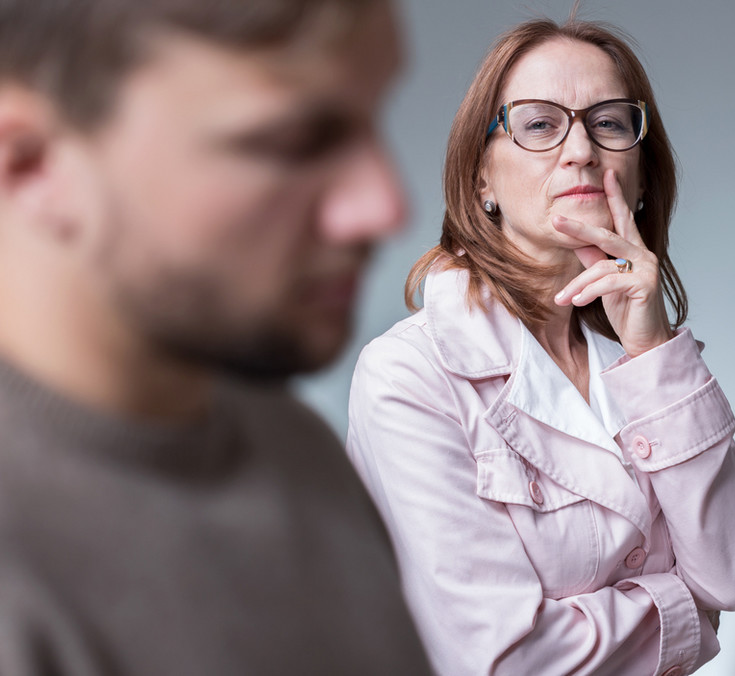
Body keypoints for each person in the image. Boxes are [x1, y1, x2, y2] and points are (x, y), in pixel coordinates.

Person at [0, 0, 431, 673]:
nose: (385, 206)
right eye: (294, 142)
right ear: (32, 164)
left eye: (373, 119)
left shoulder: (299, 452)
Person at [345, 15, 735, 676]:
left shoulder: (648, 362)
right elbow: (503, 661)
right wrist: (681, 607)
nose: (581, 151)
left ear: (638, 179)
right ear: (481, 178)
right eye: (540, 124)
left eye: (608, 123)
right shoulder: (408, 376)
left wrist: (655, 349)